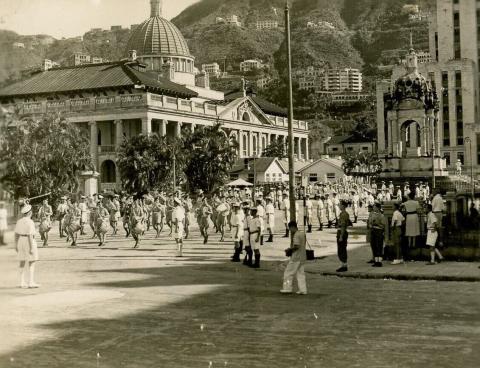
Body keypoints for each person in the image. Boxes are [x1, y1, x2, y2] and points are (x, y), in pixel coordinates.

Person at [14, 204, 40, 288]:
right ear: (30, 212)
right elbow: (30, 235)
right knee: (31, 262)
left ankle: (21, 282)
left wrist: (16, 245)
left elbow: (16, 234)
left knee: (21, 261)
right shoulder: (30, 222)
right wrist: (31, 248)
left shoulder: (19, 221)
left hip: (20, 241)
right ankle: (31, 282)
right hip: (29, 241)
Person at [280, 221, 307, 295]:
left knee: (288, 273)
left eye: (290, 228)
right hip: (302, 256)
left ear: (292, 227)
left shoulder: (296, 235)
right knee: (300, 274)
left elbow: (296, 246)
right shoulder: (302, 234)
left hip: (296, 257)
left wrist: (289, 250)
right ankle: (303, 289)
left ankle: (287, 288)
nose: (290, 230)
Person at [369, 202, 387, 267]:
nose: (373, 208)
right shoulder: (372, 215)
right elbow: (370, 223)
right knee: (374, 246)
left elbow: (383, 226)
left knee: (379, 246)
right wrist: (371, 224)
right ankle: (376, 261)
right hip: (373, 231)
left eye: (374, 207)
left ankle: (379, 261)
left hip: (379, 231)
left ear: (378, 208)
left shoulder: (381, 216)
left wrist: (376, 224)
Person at [336, 201, 352, 272]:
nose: (339, 206)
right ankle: (343, 264)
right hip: (342, 231)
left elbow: (343, 226)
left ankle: (344, 265)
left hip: (342, 232)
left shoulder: (343, 214)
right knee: (342, 249)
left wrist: (341, 236)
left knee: (341, 249)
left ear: (343, 206)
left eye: (340, 205)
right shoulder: (344, 214)